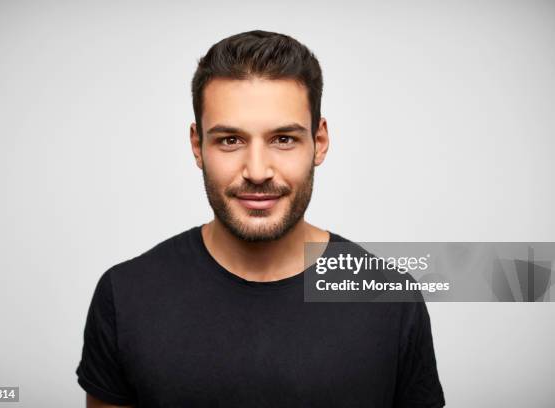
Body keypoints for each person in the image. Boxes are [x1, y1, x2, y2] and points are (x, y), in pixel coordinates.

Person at [76, 30, 445, 407]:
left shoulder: (390, 299)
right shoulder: (125, 295)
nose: (256, 171)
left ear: (319, 142)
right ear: (197, 145)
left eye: (283, 139)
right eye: (230, 140)